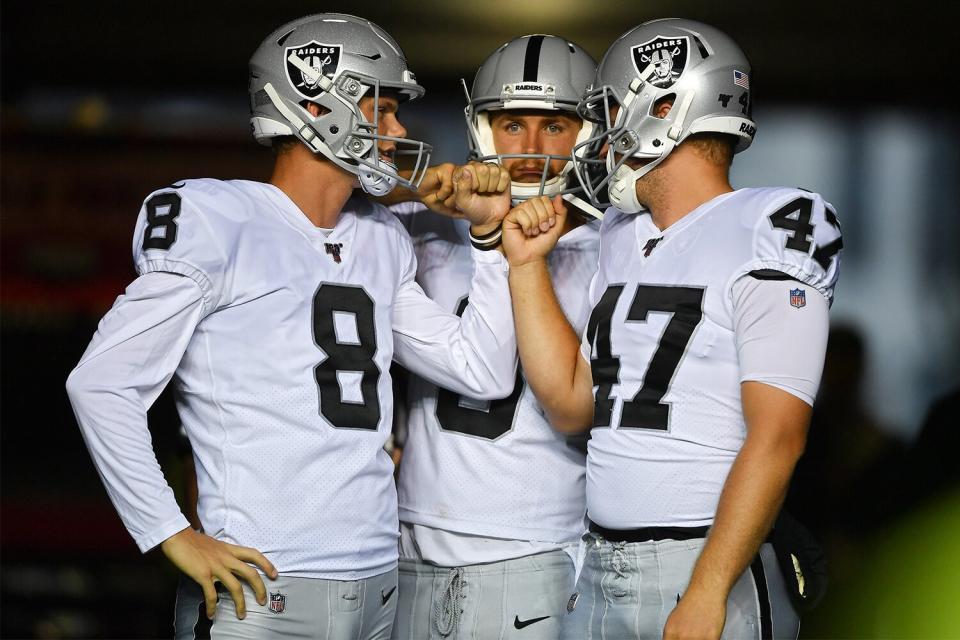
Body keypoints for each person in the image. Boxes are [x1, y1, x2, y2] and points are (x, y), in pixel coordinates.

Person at [65, 13, 519, 640]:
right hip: (266, 585)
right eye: (381, 108)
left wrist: (490, 240)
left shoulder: (381, 236)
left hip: (379, 578)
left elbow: (482, 370)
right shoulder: (219, 220)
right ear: (317, 106)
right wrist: (169, 532)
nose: (398, 130)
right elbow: (101, 385)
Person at [500, 18, 843, 640]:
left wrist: (710, 590)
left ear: (663, 109)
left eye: (609, 110)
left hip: (708, 562)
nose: (602, 134)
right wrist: (525, 265)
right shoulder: (619, 233)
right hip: (600, 563)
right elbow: (575, 404)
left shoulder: (773, 222)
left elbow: (779, 436)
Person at [382, 35, 600, 640]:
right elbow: (319, 235)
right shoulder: (417, 231)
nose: (530, 149)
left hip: (540, 550)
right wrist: (417, 189)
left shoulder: (622, 252)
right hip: (406, 546)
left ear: (591, 133)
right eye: (511, 125)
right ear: (481, 129)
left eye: (555, 126)